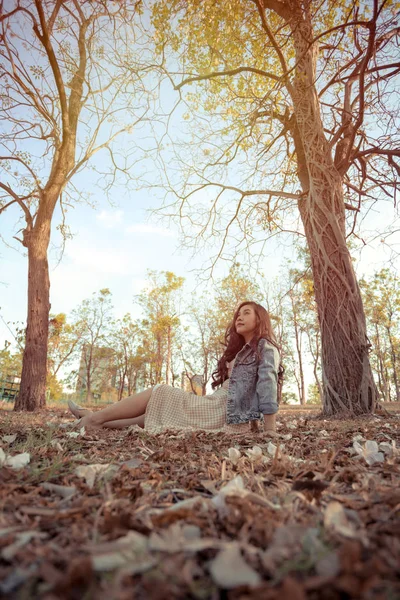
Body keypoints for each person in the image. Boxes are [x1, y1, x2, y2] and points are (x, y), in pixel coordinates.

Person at [68, 301, 282, 435]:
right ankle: (97, 420)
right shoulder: (241, 351)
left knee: (159, 392)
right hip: (218, 406)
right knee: (151, 416)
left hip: (223, 411)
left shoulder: (266, 348)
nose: (239, 317)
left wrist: (269, 429)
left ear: (260, 318)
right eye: (238, 314)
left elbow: (267, 385)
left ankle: (93, 419)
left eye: (246, 313)